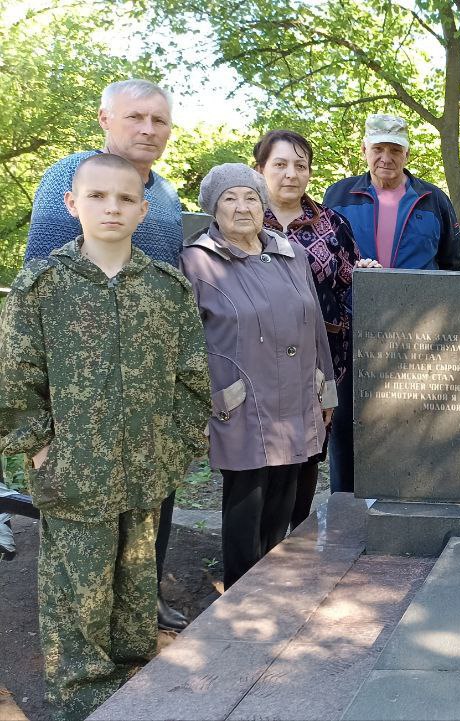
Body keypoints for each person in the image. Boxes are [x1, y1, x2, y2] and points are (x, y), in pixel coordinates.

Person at [0, 153, 210, 721]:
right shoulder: (43, 287)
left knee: (135, 586)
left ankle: (132, 682)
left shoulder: (165, 288)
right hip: (73, 474)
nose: (111, 208)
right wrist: (39, 446)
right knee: (77, 595)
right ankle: (79, 696)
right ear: (72, 204)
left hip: (145, 470)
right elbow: (15, 378)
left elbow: (193, 378)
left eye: (124, 199)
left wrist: (176, 447)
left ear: (144, 209)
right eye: (97, 197)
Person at [23, 78, 190, 631]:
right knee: (83, 513)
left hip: (146, 383)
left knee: (148, 502)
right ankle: (80, 630)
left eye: (159, 120)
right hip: (82, 383)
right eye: (135, 117)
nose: (148, 129)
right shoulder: (68, 179)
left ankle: (144, 599)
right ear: (105, 119)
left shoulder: (165, 198)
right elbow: (40, 284)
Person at [181, 164, 337, 589]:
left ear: (262, 203)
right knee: (245, 507)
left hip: (296, 399)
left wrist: (327, 395)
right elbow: (185, 344)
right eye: (229, 198)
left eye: (250, 197)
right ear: (213, 208)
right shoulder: (197, 262)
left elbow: (315, 324)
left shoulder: (291, 254)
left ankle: (268, 594)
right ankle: (237, 598)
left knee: (283, 504)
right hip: (243, 404)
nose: (242, 207)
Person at [253, 130, 377, 518]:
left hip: (322, 361)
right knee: (262, 458)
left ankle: (296, 548)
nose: (291, 174)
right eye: (280, 164)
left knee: (308, 454)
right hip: (260, 360)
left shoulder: (333, 224)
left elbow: (348, 278)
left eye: (300, 165)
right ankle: (257, 556)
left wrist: (366, 273)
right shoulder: (243, 221)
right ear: (260, 169)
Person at [323, 114, 460, 271]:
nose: (386, 158)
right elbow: (325, 256)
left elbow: (452, 264)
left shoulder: (435, 199)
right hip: (354, 294)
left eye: (395, 150)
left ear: (407, 154)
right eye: (378, 149)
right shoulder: (338, 195)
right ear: (364, 150)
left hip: (420, 295)